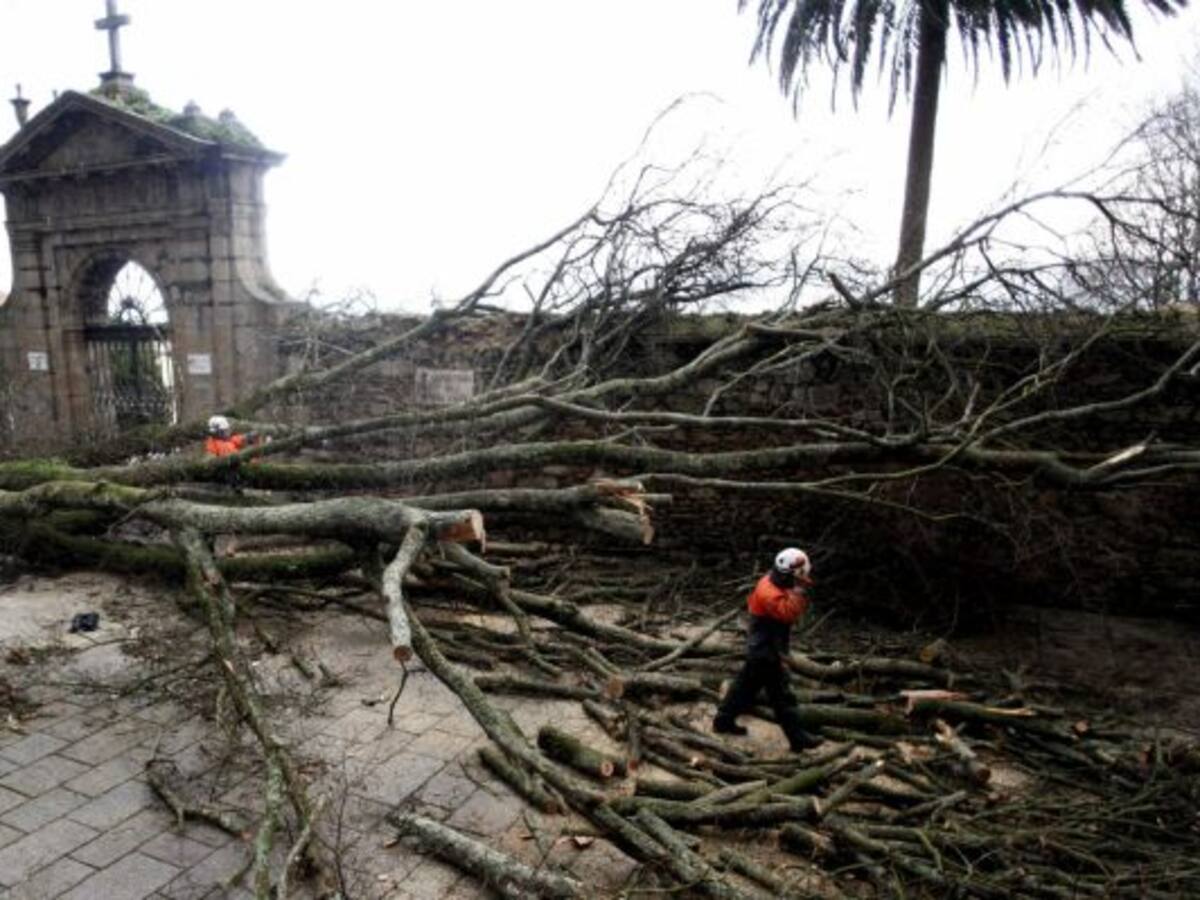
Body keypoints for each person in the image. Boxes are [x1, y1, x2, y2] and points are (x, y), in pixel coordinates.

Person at [713, 547, 822, 751]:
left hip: (764, 646)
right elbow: (789, 614)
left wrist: (798, 582)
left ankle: (722, 721)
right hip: (765, 651)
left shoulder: (776, 579)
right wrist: (799, 589)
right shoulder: (769, 593)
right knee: (782, 696)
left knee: (744, 687)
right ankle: (797, 738)